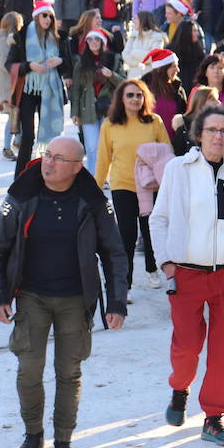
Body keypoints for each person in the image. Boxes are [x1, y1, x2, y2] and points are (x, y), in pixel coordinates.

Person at [0, 135, 128, 448]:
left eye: (59, 158)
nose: (49, 162)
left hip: (76, 300)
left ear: (77, 168)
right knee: (29, 369)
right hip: (31, 296)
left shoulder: (92, 201)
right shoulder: (22, 194)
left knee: (69, 372)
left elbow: (114, 252)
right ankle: (33, 435)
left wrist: (116, 300)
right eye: (47, 154)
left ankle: (64, 442)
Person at [150, 106, 224, 445]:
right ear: (199, 135)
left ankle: (214, 417)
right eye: (211, 130)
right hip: (186, 272)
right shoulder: (178, 169)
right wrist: (167, 262)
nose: (218, 136)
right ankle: (179, 388)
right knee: (187, 347)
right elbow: (159, 218)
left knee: (223, 347)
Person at [94, 79, 171, 294]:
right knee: (126, 235)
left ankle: (151, 268)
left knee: (150, 231)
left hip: (150, 186)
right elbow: (103, 160)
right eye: (130, 95)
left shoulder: (154, 121)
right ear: (121, 98)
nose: (135, 99)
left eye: (139, 95)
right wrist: (94, 189)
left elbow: (167, 153)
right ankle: (124, 283)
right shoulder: (110, 124)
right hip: (123, 185)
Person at [6, 1, 73, 177]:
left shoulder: (60, 38)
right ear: (37, 16)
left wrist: (61, 61)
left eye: (51, 16)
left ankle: (47, 176)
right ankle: (20, 177)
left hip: (51, 91)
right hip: (28, 91)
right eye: (45, 15)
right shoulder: (21, 37)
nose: (48, 19)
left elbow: (69, 64)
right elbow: (9, 64)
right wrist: (29, 66)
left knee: (52, 139)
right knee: (28, 137)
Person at [68, 28, 124, 175]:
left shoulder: (115, 59)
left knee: (107, 145)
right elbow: (76, 89)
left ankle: (106, 176)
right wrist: (74, 112)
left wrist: (111, 75)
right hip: (87, 109)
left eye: (96, 39)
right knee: (92, 146)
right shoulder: (81, 62)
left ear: (103, 42)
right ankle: (94, 176)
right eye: (90, 39)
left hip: (109, 108)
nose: (93, 42)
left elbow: (124, 84)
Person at [0, 11, 23, 161]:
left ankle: (18, 141)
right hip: (8, 85)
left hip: (14, 84)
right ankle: (7, 147)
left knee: (17, 116)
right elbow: (4, 63)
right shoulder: (3, 41)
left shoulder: (8, 39)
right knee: (12, 117)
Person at [141, 48, 187, 138]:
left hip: (173, 145)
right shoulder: (144, 88)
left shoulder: (178, 89)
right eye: (174, 66)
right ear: (162, 69)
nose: (178, 70)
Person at [162, 0, 204, 92]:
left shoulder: (198, 51)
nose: (196, 33)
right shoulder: (171, 51)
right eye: (194, 31)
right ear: (186, 33)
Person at [170, 86, 219, 157]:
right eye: (213, 100)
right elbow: (178, 152)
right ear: (202, 102)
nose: (218, 103)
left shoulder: (218, 125)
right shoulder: (184, 126)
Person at [122, 11, 166, 79]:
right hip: (133, 77)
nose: (134, 20)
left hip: (150, 77)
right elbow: (125, 55)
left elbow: (153, 57)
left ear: (143, 20)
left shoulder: (158, 37)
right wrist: (142, 62)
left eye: (136, 18)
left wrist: (134, 52)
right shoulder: (133, 36)